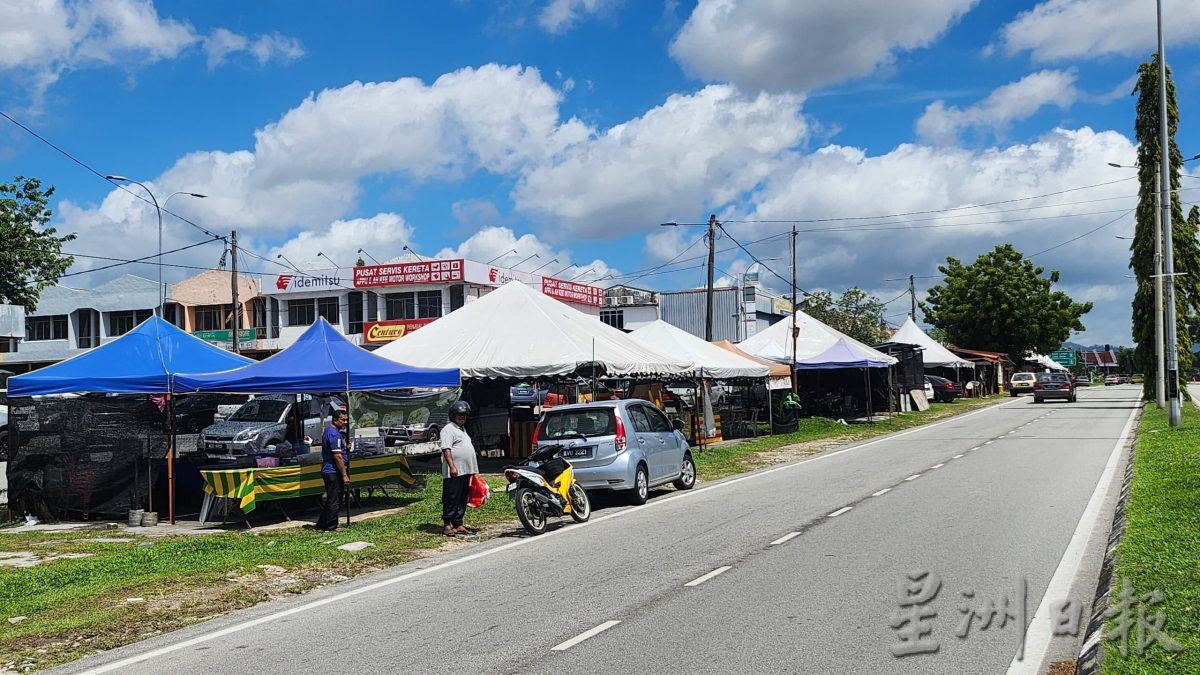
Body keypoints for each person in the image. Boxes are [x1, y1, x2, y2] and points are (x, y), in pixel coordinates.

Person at [439, 400, 479, 537]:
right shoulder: (448, 429)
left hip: (466, 470)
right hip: (455, 471)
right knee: (452, 497)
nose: (462, 417)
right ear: (453, 416)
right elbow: (446, 449)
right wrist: (452, 466)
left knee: (462, 497)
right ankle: (447, 524)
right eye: (459, 415)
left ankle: (458, 523)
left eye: (464, 415)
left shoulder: (462, 429)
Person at [315, 410, 351, 532]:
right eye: (343, 420)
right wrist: (344, 474)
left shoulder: (332, 433)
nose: (345, 422)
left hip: (330, 471)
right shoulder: (334, 434)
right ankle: (331, 526)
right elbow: (337, 456)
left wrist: (345, 447)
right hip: (333, 471)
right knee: (335, 500)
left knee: (332, 498)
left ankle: (321, 524)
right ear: (335, 420)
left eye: (346, 420)